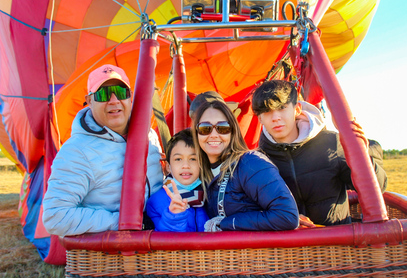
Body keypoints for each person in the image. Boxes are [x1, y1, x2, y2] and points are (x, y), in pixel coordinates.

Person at [43, 64, 164, 236]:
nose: (114, 100)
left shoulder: (149, 135)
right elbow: (55, 216)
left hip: (156, 243)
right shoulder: (76, 152)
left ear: (131, 98)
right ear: (89, 101)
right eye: (103, 94)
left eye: (121, 92)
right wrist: (125, 222)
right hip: (112, 254)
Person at [252, 80, 387, 226]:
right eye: (267, 112)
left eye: (282, 108)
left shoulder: (332, 143)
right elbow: (250, 208)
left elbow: (378, 187)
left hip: (338, 241)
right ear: (260, 118)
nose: (276, 117)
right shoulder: (257, 160)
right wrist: (286, 218)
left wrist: (362, 155)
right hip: (290, 246)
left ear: (297, 109)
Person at [191, 96, 299, 232]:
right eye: (205, 128)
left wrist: (225, 223)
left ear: (233, 132)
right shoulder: (200, 175)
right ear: (196, 134)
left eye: (222, 128)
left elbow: (286, 216)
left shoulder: (249, 163)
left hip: (259, 253)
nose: (213, 134)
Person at [146, 129, 208, 232]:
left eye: (193, 159)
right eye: (178, 159)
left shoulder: (210, 194)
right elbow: (163, 242)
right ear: (168, 167)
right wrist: (174, 216)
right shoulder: (156, 201)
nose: (185, 166)